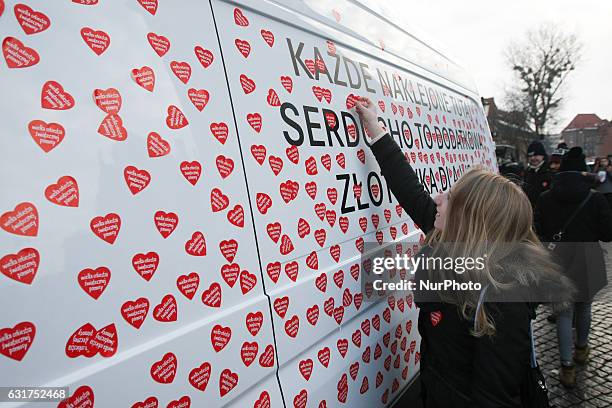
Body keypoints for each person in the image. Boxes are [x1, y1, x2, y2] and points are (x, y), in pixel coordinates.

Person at [355, 97, 573, 407]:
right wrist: (375, 128)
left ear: (469, 219)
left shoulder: (501, 301)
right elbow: (409, 189)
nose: (437, 197)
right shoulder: (452, 237)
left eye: (450, 196)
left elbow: (494, 400)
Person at [534, 146, 612, 388]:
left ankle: (566, 367)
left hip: (558, 261)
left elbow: (539, 232)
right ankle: (581, 349)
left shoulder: (545, 198)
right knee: (584, 307)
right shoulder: (595, 198)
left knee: (564, 313)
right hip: (588, 258)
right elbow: (607, 234)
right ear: (583, 173)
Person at [523, 141, 552, 208]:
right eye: (530, 156)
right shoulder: (528, 171)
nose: (533, 158)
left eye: (535, 155)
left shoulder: (549, 171)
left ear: (543, 156)